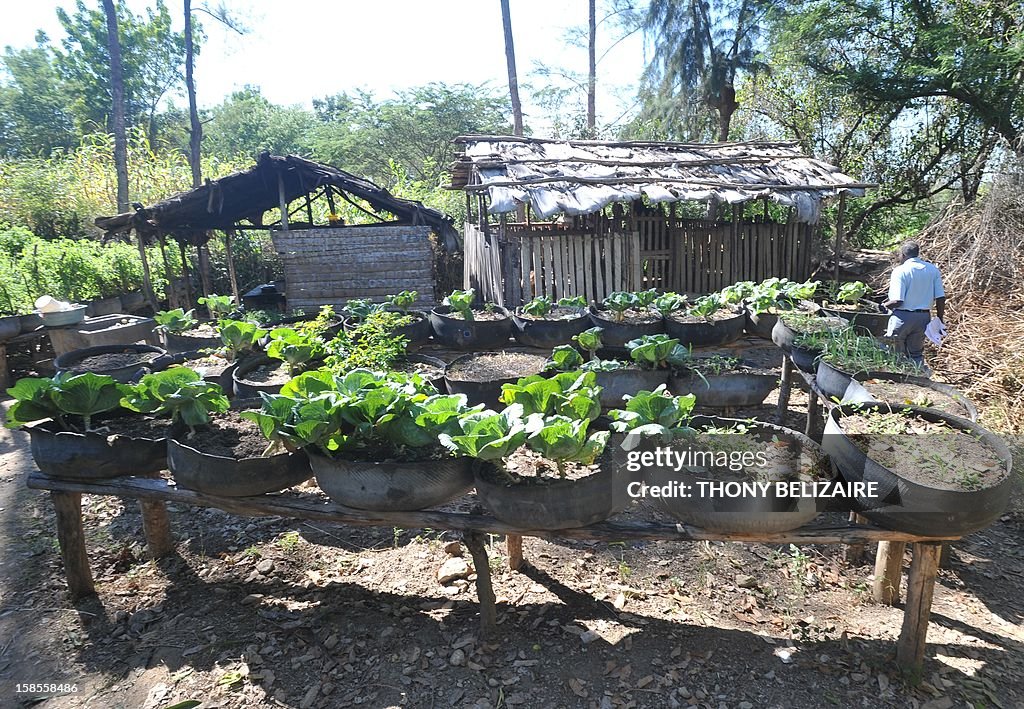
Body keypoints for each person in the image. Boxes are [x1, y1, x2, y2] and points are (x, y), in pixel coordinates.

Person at [882, 240, 946, 367]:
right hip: (923, 318)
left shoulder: (900, 271)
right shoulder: (932, 270)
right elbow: (940, 298)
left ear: (903, 255)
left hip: (902, 317)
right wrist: (939, 318)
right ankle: (917, 378)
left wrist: (883, 306)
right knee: (916, 354)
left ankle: (895, 379)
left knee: (894, 352)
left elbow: (898, 301)